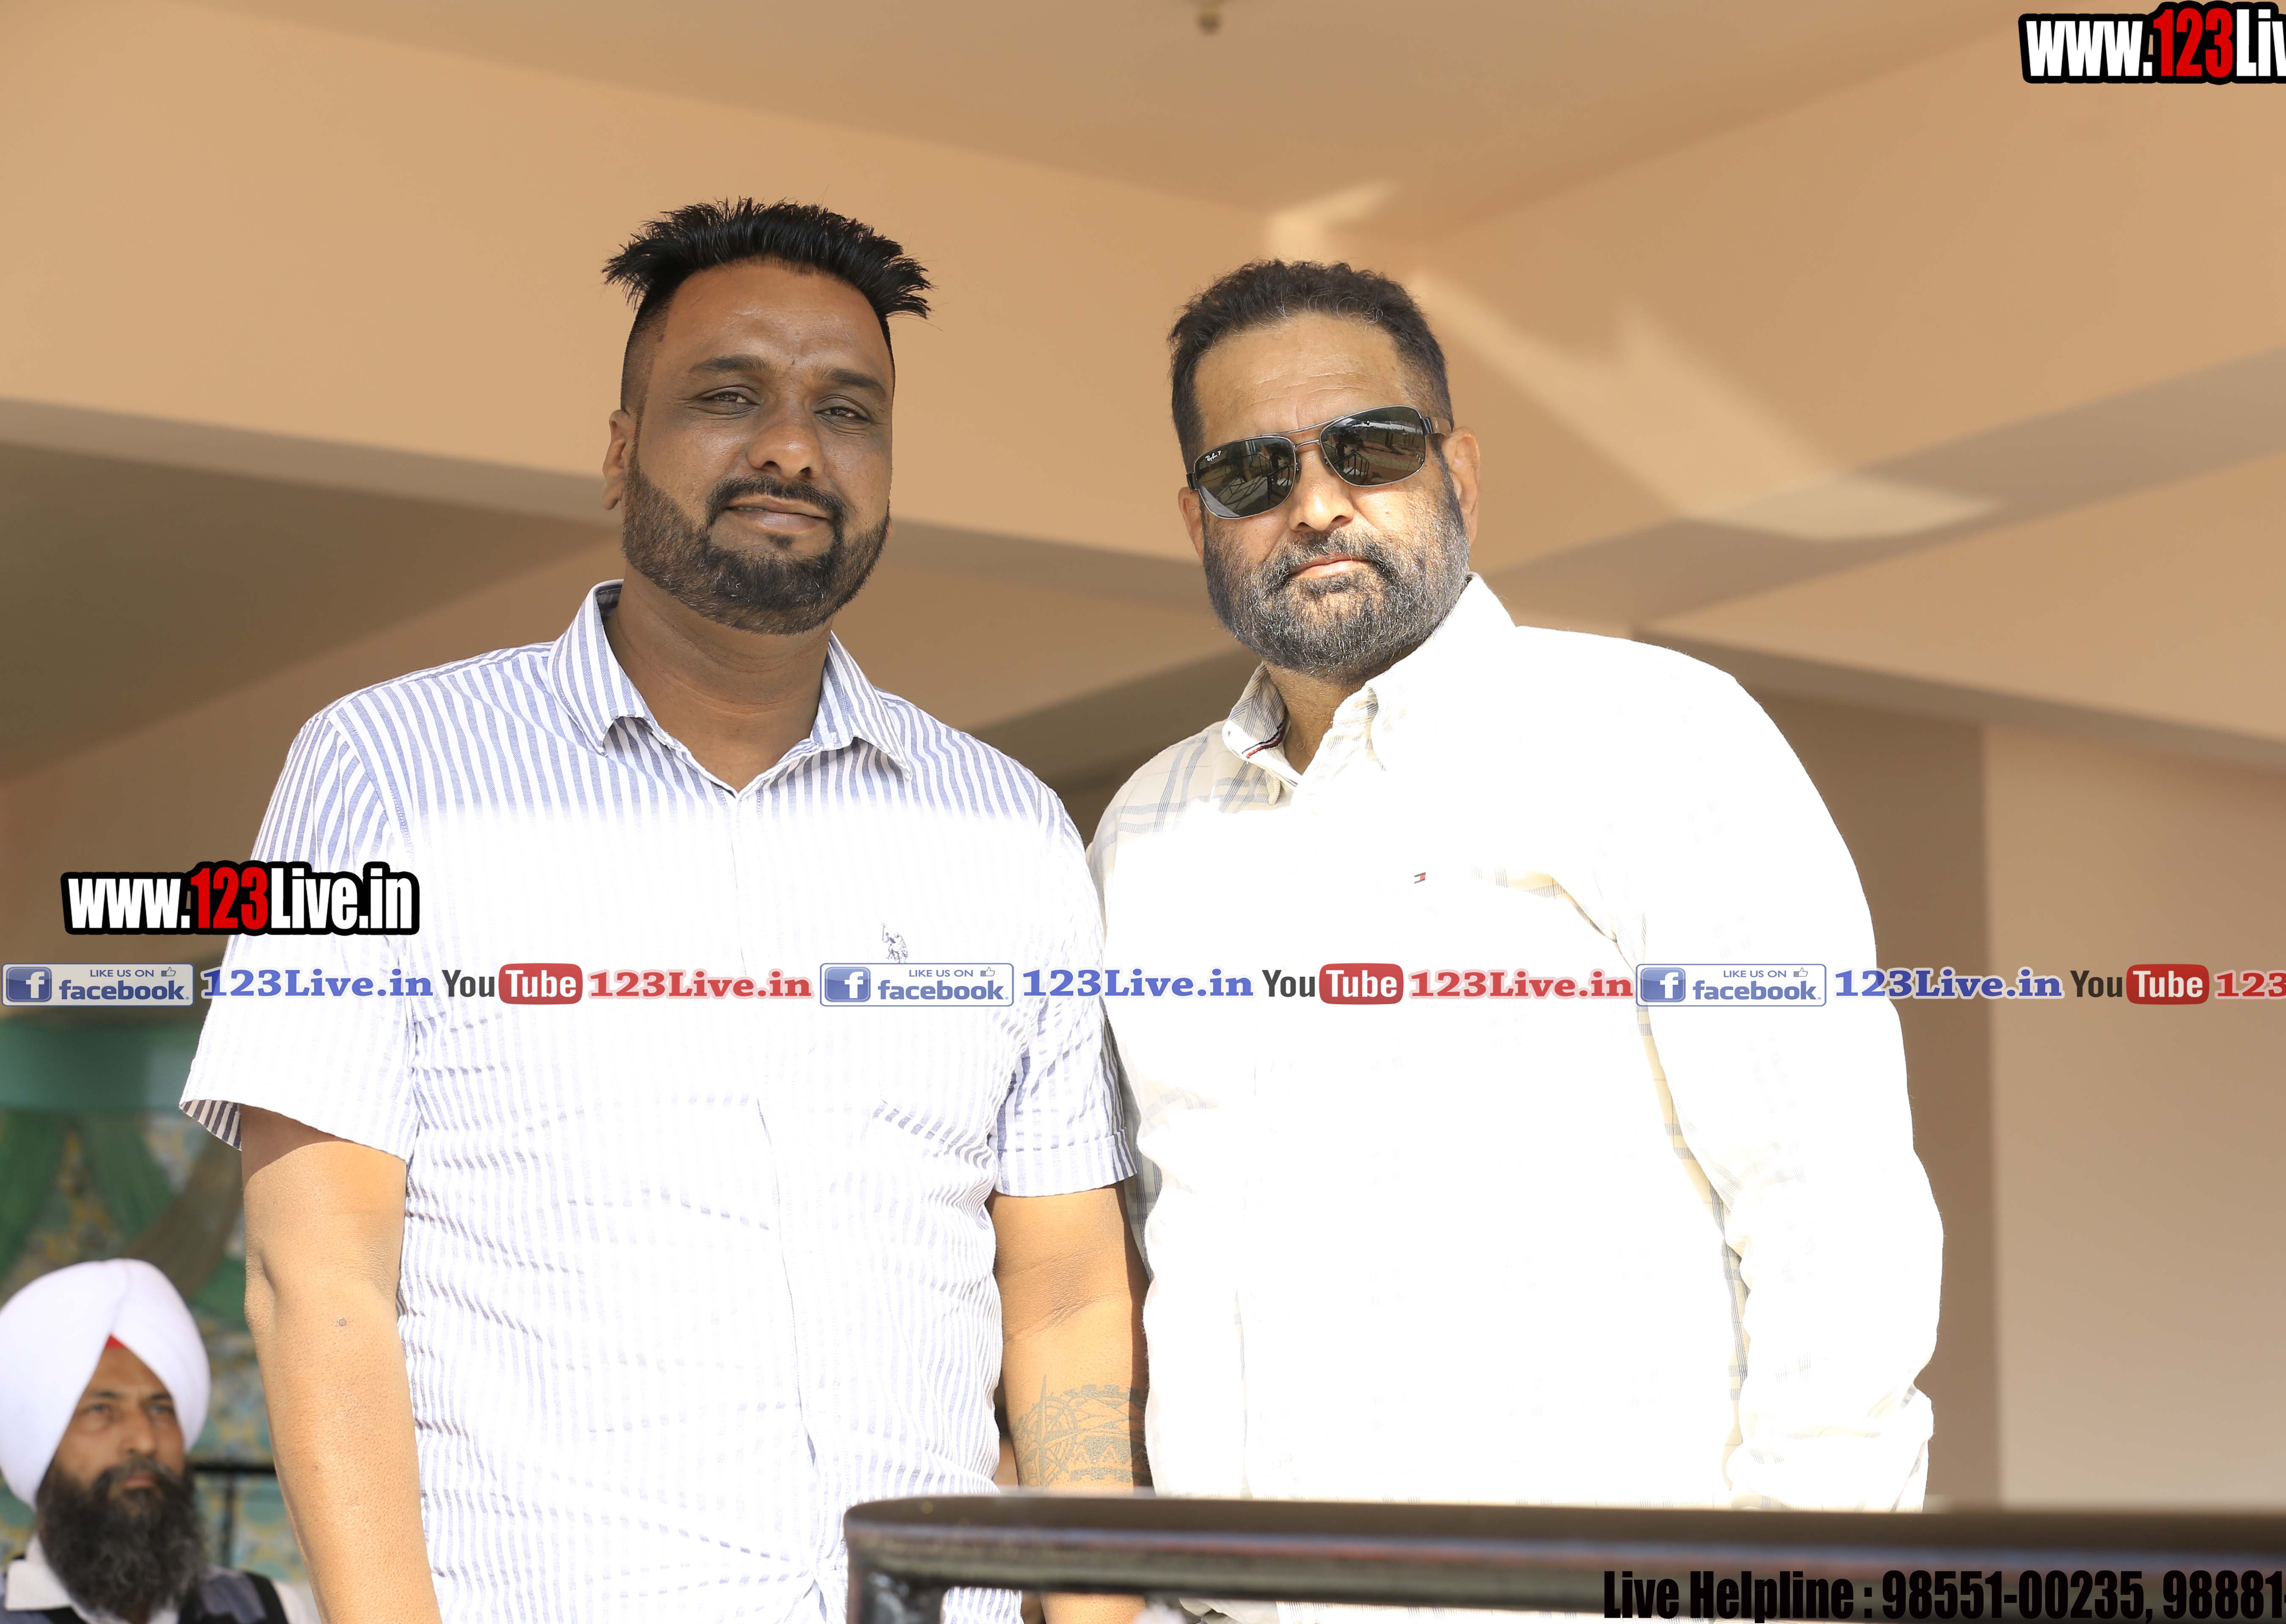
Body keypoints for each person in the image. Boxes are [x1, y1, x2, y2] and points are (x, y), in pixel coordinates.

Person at [181, 200, 1145, 1624]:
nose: (793, 449)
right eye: (728, 396)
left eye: (847, 410)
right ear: (620, 447)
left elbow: (1065, 1298)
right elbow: (314, 1278)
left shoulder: (1008, 831)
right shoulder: (379, 774)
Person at [1090, 262, 1944, 1556]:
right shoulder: (1145, 833)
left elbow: (1827, 1197)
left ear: (1461, 472)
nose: (1316, 503)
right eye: (1250, 472)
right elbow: (1127, 1250)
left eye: (1371, 448)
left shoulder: (1657, 738)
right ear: (1195, 519)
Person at [0, 1259, 317, 1624]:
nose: (145, 1440)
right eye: (101, 1409)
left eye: (159, 1409)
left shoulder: (271, 1609)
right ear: (39, 1445)